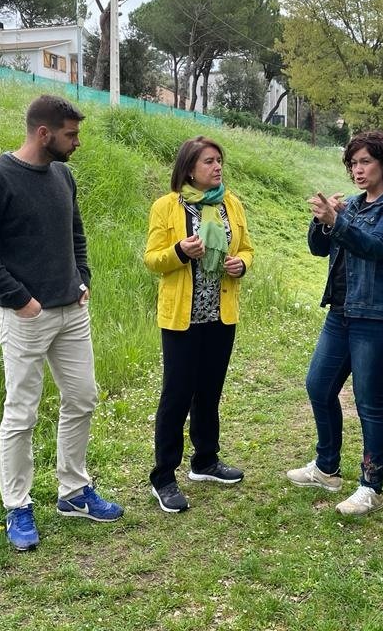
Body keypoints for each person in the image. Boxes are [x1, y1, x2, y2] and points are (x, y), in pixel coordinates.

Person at [0, 94, 123, 552]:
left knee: (83, 397)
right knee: (22, 411)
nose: (78, 143)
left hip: (72, 311)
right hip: (26, 316)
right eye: (71, 135)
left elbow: (76, 235)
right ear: (44, 133)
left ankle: (73, 492)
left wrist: (82, 278)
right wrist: (20, 300)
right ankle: (17, 505)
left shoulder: (63, 176)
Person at [286, 130, 383, 516]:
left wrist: (338, 221)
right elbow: (319, 248)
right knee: (319, 386)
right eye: (353, 163)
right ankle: (327, 468)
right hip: (342, 312)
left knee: (370, 403)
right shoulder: (354, 205)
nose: (358, 170)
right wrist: (322, 220)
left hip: (381, 316)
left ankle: (371, 487)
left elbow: (375, 247)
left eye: (365, 162)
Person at [144, 136, 254, 513]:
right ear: (190, 168)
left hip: (220, 315)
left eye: (219, 160)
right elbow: (153, 259)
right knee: (176, 395)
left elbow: (247, 248)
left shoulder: (230, 203)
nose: (217, 167)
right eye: (209, 161)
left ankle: (205, 461)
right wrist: (179, 252)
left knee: (209, 391)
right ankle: (164, 476)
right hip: (182, 317)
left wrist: (242, 264)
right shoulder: (167, 207)